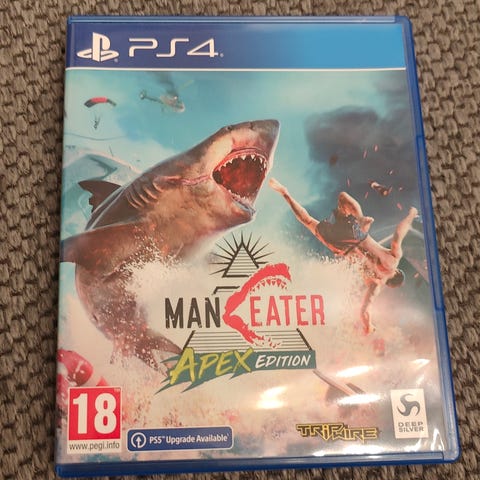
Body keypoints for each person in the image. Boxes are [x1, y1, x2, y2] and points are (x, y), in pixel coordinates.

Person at [269, 178, 418, 334]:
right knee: (308, 221)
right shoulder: (375, 284)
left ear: (398, 271)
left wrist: (411, 215)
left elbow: (398, 234)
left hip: (355, 235)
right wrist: (368, 326)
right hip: (339, 247)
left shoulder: (393, 260)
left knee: (343, 198)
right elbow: (364, 310)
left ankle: (360, 219)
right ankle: (285, 194)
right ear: (389, 283)